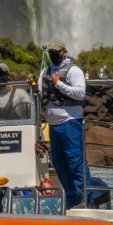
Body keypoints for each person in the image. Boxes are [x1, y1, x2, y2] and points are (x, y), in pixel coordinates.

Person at [38, 39, 86, 209]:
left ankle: (85, 198)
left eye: (56, 51)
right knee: (58, 162)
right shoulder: (45, 71)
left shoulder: (74, 70)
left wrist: (58, 83)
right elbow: (40, 92)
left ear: (64, 51)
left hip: (70, 121)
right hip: (53, 124)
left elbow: (80, 93)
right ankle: (72, 198)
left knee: (75, 160)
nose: (53, 54)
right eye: (50, 52)